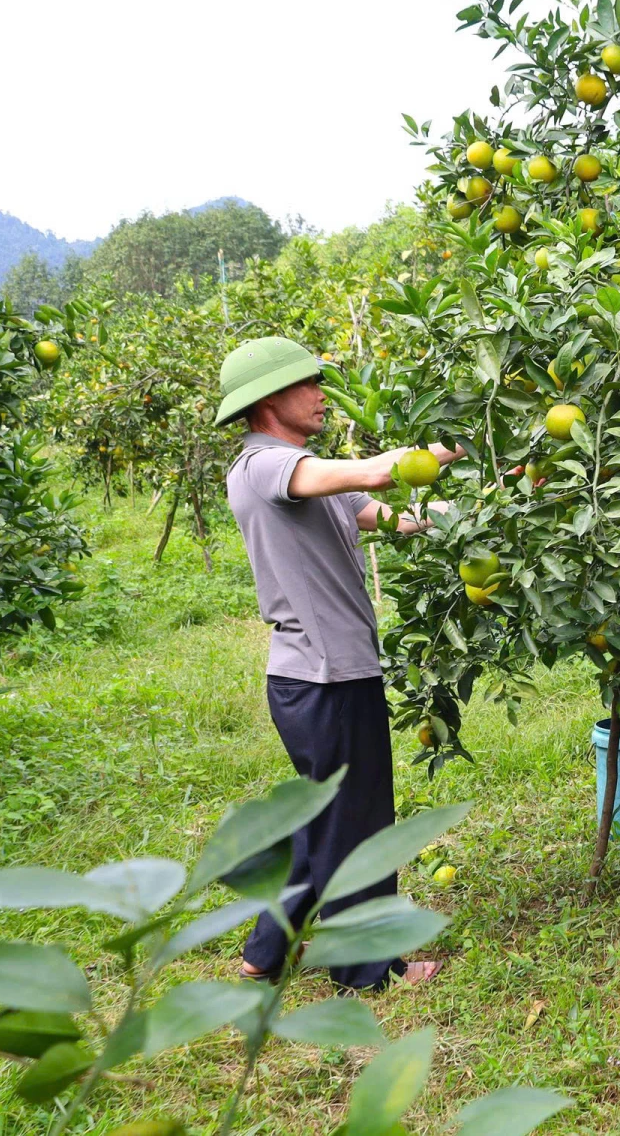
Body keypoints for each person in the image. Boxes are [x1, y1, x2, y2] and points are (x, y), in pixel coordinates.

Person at [214, 336, 462, 991]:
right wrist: (449, 444)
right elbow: (379, 473)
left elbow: (394, 513)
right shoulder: (263, 466)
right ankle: (365, 966)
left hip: (333, 674)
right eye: (310, 383)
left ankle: (265, 954)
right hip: (321, 679)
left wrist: (497, 499)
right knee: (356, 825)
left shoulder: (307, 471)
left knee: (326, 819)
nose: (322, 394)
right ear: (269, 399)